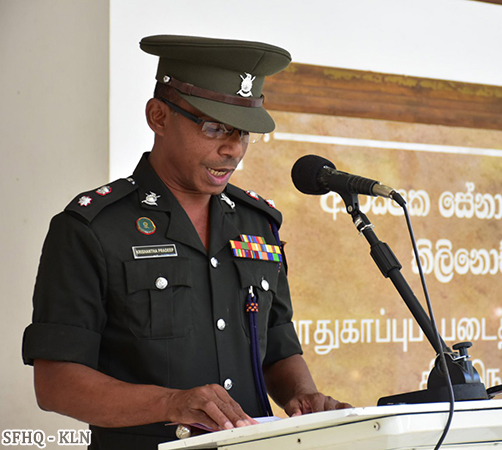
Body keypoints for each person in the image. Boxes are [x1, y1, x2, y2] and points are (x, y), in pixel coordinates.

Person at [21, 35, 351, 450]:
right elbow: (55, 383)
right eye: (214, 127)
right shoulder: (92, 228)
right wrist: (172, 404)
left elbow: (277, 345)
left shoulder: (258, 223)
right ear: (158, 117)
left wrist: (302, 397)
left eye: (243, 132)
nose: (233, 149)